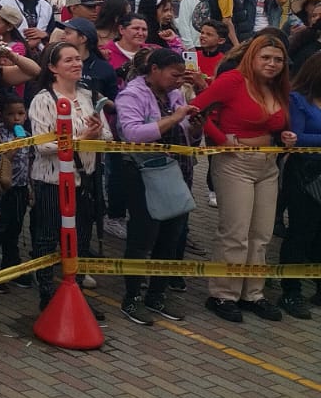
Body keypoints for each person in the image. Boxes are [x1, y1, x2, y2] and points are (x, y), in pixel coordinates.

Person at [191, 33, 292, 323]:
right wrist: (221, 139)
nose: (272, 64)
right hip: (235, 162)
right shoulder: (234, 80)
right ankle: (223, 293)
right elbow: (195, 108)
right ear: (252, 57)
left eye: (278, 60)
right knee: (235, 232)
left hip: (268, 162)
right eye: (266, 58)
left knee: (260, 234)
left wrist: (285, 136)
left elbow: (280, 123)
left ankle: (253, 294)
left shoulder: (277, 87)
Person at [114, 49, 207, 326]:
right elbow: (132, 133)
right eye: (174, 75)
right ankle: (131, 297)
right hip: (144, 173)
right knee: (143, 235)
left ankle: (157, 294)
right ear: (153, 69)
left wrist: (195, 128)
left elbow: (187, 133)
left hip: (177, 172)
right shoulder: (131, 95)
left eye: (182, 76)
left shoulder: (176, 95)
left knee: (172, 235)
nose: (179, 81)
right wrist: (176, 118)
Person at [28, 43, 112, 314]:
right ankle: (46, 293)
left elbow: (108, 138)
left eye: (78, 59)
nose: (77, 64)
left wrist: (97, 134)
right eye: (68, 60)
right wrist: (80, 140)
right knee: (47, 237)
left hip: (85, 180)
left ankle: (73, 291)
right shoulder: (43, 100)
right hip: (52, 182)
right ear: (52, 68)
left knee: (80, 238)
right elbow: (43, 146)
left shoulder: (90, 96)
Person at [279, 54, 321, 318]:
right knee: (300, 232)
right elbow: (296, 138)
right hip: (304, 175)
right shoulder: (298, 99)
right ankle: (290, 291)